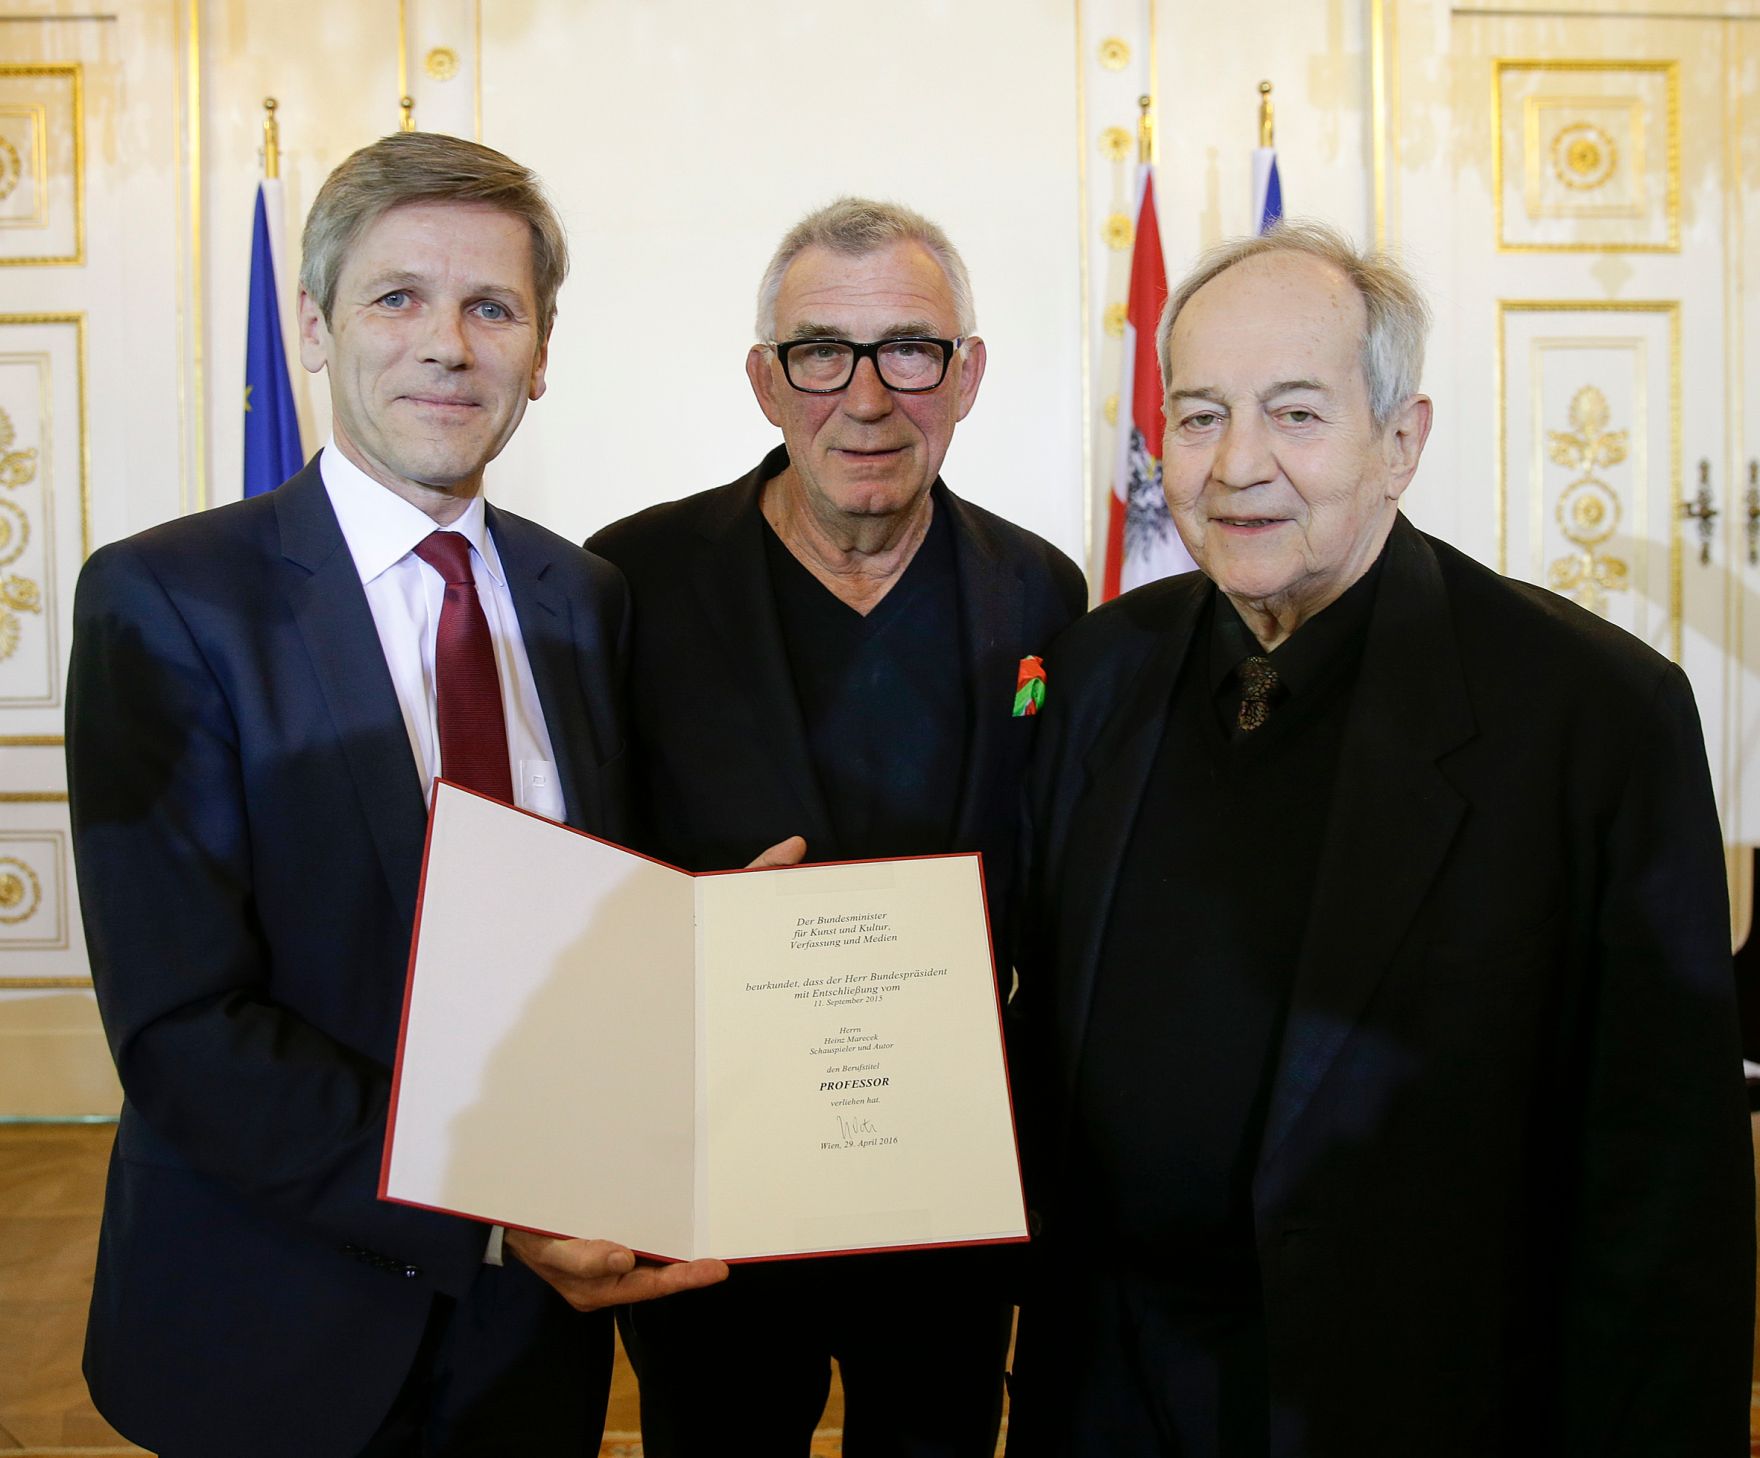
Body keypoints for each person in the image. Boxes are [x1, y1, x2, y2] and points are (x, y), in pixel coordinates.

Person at [1006, 219, 1754, 1457]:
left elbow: (1662, 1193)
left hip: (1412, 1407)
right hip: (1108, 1398)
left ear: (1398, 443)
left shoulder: (1589, 714)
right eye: (1197, 418)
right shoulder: (1092, 673)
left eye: (1295, 414)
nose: (1236, 465)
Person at [66, 131, 724, 1458]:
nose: (448, 344)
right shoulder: (167, 601)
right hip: (273, 1326)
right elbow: (185, 1022)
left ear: (542, 351)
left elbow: (582, 926)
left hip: (533, 1333)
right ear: (313, 326)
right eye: (398, 297)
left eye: (493, 306)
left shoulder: (581, 597)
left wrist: (706, 955)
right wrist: (489, 1203)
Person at [588, 196, 1087, 1455]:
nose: (865, 397)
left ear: (966, 375)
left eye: (909, 349)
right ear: (765, 382)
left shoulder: (1039, 588)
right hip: (717, 1183)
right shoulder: (626, 582)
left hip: (946, 1192)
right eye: (820, 352)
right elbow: (574, 870)